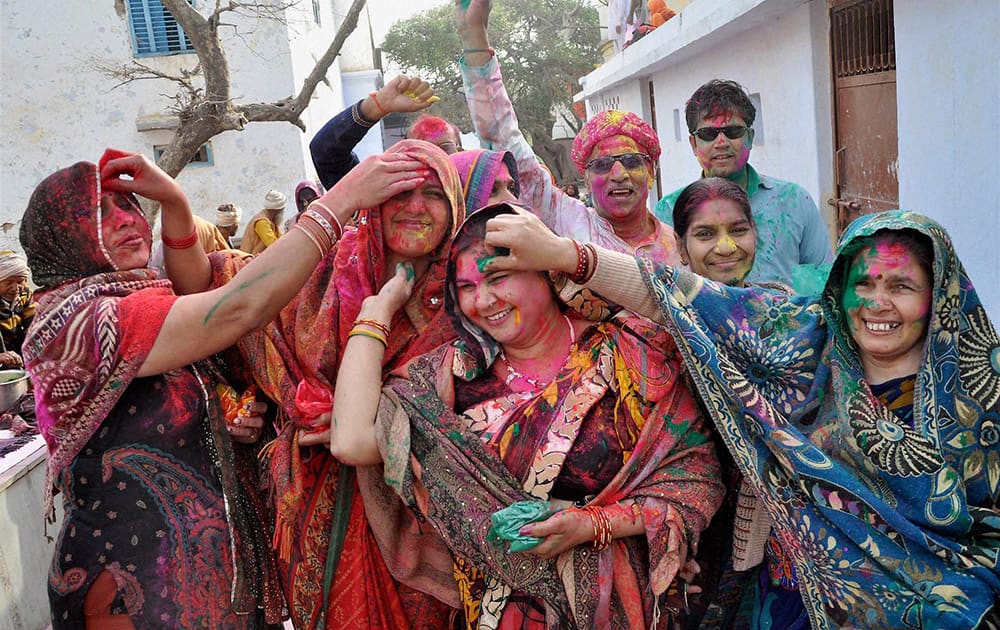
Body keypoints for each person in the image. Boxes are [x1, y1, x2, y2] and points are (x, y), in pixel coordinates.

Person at [480, 208, 1000, 629]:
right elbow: (678, 298)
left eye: (902, 286)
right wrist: (564, 255)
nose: (877, 302)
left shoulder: (981, 389)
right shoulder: (805, 340)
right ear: (840, 288)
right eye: (863, 283)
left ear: (938, 296)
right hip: (800, 598)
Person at [328, 204, 724, 628]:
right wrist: (378, 309)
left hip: (621, 608)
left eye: (498, 278)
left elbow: (695, 478)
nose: (482, 302)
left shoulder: (628, 353)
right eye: (465, 287)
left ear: (547, 273)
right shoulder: (447, 378)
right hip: (498, 613)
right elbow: (351, 440)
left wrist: (592, 525)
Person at [19, 148, 348, 628]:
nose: (126, 220)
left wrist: (230, 424)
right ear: (63, 237)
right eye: (98, 214)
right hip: (131, 589)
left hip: (210, 579)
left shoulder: (146, 298)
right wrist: (340, 203)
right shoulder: (75, 324)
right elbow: (238, 308)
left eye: (129, 205)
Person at [184, 139, 467, 629]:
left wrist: (366, 420)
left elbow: (490, 408)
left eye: (434, 195)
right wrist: (171, 203)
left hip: (424, 524)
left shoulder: (472, 297)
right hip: (320, 510)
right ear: (372, 204)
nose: (416, 207)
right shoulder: (320, 278)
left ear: (457, 206)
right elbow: (217, 295)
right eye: (399, 193)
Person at [455, 0, 681, 266]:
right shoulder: (566, 220)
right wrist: (474, 37)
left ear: (652, 170)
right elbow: (503, 139)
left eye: (631, 161)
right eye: (603, 165)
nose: (618, 175)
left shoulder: (682, 246)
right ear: (584, 174)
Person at [654, 79, 831, 285]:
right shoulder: (670, 210)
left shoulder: (794, 200)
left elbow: (823, 276)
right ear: (693, 144)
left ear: (750, 137)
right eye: (709, 134)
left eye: (733, 132)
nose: (721, 143)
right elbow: (665, 285)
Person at [310, 75, 441, 190]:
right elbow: (324, 153)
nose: (416, 208)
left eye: (443, 148)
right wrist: (376, 106)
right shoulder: (375, 200)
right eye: (417, 154)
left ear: (459, 149)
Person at [0, 250, 34, 368]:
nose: (16, 288)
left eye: (20, 281)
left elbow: (32, 324)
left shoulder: (25, 294)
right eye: (8, 282)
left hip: (16, 347)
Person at [240, 189, 286, 254]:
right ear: (277, 210)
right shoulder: (262, 222)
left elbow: (280, 239)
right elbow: (273, 245)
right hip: (251, 261)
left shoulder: (271, 220)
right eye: (282, 210)